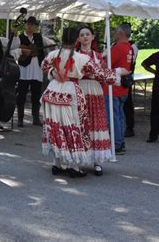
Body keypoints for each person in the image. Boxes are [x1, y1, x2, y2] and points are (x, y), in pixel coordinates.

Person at [41, 27, 128, 177]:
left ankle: (57, 163)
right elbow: (100, 73)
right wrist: (119, 72)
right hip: (71, 93)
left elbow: (44, 66)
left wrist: (54, 73)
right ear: (76, 39)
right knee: (73, 129)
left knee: (56, 127)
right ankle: (74, 167)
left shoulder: (53, 54)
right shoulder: (82, 58)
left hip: (53, 92)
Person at [76, 25, 114, 176]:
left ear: (92, 37)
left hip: (95, 90)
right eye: (82, 35)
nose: (85, 37)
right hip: (80, 88)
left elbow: (104, 74)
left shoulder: (98, 56)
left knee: (96, 122)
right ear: (78, 39)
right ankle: (78, 158)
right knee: (80, 123)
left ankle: (97, 161)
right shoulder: (75, 54)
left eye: (87, 34)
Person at [15, 16, 55, 127]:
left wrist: (52, 50)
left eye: (32, 25)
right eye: (28, 24)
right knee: (21, 95)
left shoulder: (40, 37)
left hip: (37, 69)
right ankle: (20, 119)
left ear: (35, 26)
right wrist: (22, 51)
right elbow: (14, 49)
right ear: (25, 25)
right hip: (24, 69)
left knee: (36, 95)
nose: (30, 26)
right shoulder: (19, 38)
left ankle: (36, 118)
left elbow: (51, 45)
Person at [103, 24, 133, 154]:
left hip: (113, 87)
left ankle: (117, 144)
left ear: (121, 33)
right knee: (119, 116)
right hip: (122, 87)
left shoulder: (119, 47)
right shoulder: (130, 48)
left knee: (113, 117)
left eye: (115, 31)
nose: (113, 34)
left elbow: (105, 64)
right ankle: (120, 142)